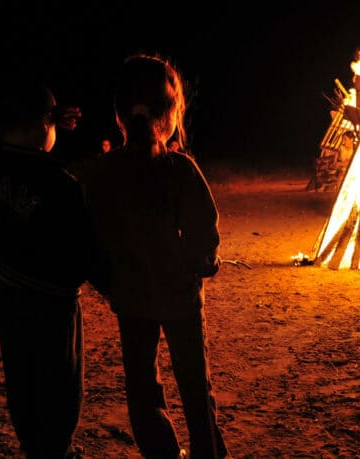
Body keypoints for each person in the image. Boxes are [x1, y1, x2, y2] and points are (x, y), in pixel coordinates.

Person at [81, 53, 229, 459]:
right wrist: (202, 264)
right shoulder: (179, 169)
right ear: (172, 113)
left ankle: (162, 452)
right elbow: (204, 229)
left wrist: (107, 281)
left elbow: (91, 236)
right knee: (195, 383)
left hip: (130, 297)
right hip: (180, 296)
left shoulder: (103, 172)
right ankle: (207, 452)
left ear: (119, 116)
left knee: (142, 385)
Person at [0, 73, 95, 458]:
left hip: (10, 295)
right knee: (61, 391)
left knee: (24, 384)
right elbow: (84, 254)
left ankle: (35, 448)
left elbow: (17, 142)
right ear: (46, 125)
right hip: (53, 305)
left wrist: (46, 119)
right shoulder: (62, 184)